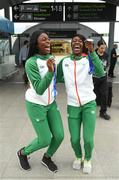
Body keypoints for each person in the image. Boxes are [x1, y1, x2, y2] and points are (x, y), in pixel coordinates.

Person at [57, 34, 105, 174]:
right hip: (72, 105)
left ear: (83, 45)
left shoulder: (88, 59)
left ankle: (88, 158)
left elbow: (101, 72)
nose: (76, 42)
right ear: (71, 45)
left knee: (88, 139)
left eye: (79, 41)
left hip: (88, 103)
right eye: (74, 41)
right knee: (74, 139)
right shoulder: (65, 61)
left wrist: (91, 53)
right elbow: (58, 77)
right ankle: (78, 157)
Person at [17, 31, 64, 173]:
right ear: (36, 44)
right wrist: (50, 71)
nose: (47, 41)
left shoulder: (51, 57)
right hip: (36, 104)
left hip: (51, 103)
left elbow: (56, 79)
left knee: (59, 135)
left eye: (48, 39)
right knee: (45, 139)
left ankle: (47, 157)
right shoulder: (31, 63)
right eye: (43, 39)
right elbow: (39, 89)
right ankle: (23, 153)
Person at [93, 40, 110, 120]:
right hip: (94, 77)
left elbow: (107, 64)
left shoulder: (106, 55)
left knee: (104, 94)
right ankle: (89, 112)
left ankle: (103, 112)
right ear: (97, 47)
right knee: (92, 95)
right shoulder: (93, 54)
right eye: (101, 48)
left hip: (103, 77)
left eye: (104, 48)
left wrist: (105, 69)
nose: (103, 50)